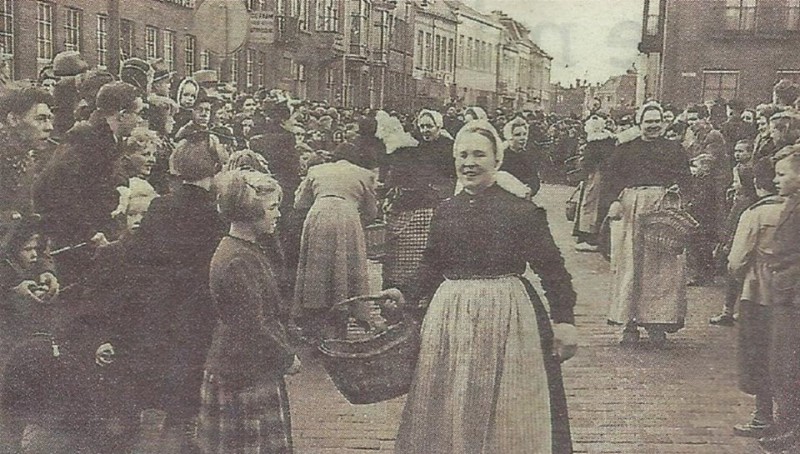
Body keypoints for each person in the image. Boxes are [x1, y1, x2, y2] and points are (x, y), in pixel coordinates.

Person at [386, 120, 577, 454]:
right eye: (462, 155)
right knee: (451, 396)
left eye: (479, 155)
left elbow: (553, 269)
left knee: (506, 401)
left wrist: (564, 321)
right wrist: (405, 294)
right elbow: (432, 262)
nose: (469, 163)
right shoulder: (445, 210)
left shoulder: (522, 210)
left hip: (507, 314)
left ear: (497, 161)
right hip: (450, 316)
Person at [197, 169, 299, 454]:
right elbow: (251, 325)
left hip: (246, 366)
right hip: (243, 374)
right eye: (272, 208)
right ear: (248, 210)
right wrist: (286, 356)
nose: (278, 214)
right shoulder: (238, 259)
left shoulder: (244, 249)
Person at [33, 81, 146, 286]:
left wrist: (121, 187)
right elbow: (57, 191)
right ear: (121, 114)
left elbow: (114, 169)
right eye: (138, 113)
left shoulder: (108, 137)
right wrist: (89, 233)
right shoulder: (84, 138)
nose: (140, 119)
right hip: (75, 241)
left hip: (93, 235)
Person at [600, 102, 692, 345]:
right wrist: (613, 202)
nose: (653, 126)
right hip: (631, 208)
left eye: (657, 121)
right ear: (640, 123)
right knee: (631, 263)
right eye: (648, 121)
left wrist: (678, 196)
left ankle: (657, 323)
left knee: (661, 268)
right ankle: (627, 323)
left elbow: (686, 179)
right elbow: (610, 179)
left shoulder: (674, 149)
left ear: (664, 123)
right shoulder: (626, 149)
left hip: (663, 208)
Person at [291, 145, 378, 339]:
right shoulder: (364, 174)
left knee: (316, 272)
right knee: (345, 271)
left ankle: (315, 330)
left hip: (319, 213)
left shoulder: (316, 170)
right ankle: (341, 328)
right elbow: (372, 212)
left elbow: (299, 203)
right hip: (348, 216)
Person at [725, 158, 783, 438]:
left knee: (759, 354)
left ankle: (763, 416)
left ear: (758, 183)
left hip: (759, 292)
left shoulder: (754, 214)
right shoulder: (792, 208)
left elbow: (736, 261)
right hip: (790, 292)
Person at [382, 109, 455, 290]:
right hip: (420, 202)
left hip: (439, 201)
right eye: (422, 126)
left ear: (439, 127)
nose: (425, 130)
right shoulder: (416, 145)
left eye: (429, 126)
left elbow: (452, 177)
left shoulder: (448, 147)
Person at [758, 146, 800, 452]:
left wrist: (784, 268)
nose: (776, 179)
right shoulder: (792, 202)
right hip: (787, 289)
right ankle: (789, 427)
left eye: (783, 174)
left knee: (789, 362)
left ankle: (793, 431)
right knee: (783, 362)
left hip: (795, 291)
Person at [500, 116, 542, 197]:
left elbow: (534, 179)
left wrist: (530, 190)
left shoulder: (528, 155)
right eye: (517, 135)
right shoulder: (502, 156)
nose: (523, 138)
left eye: (525, 134)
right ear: (510, 137)